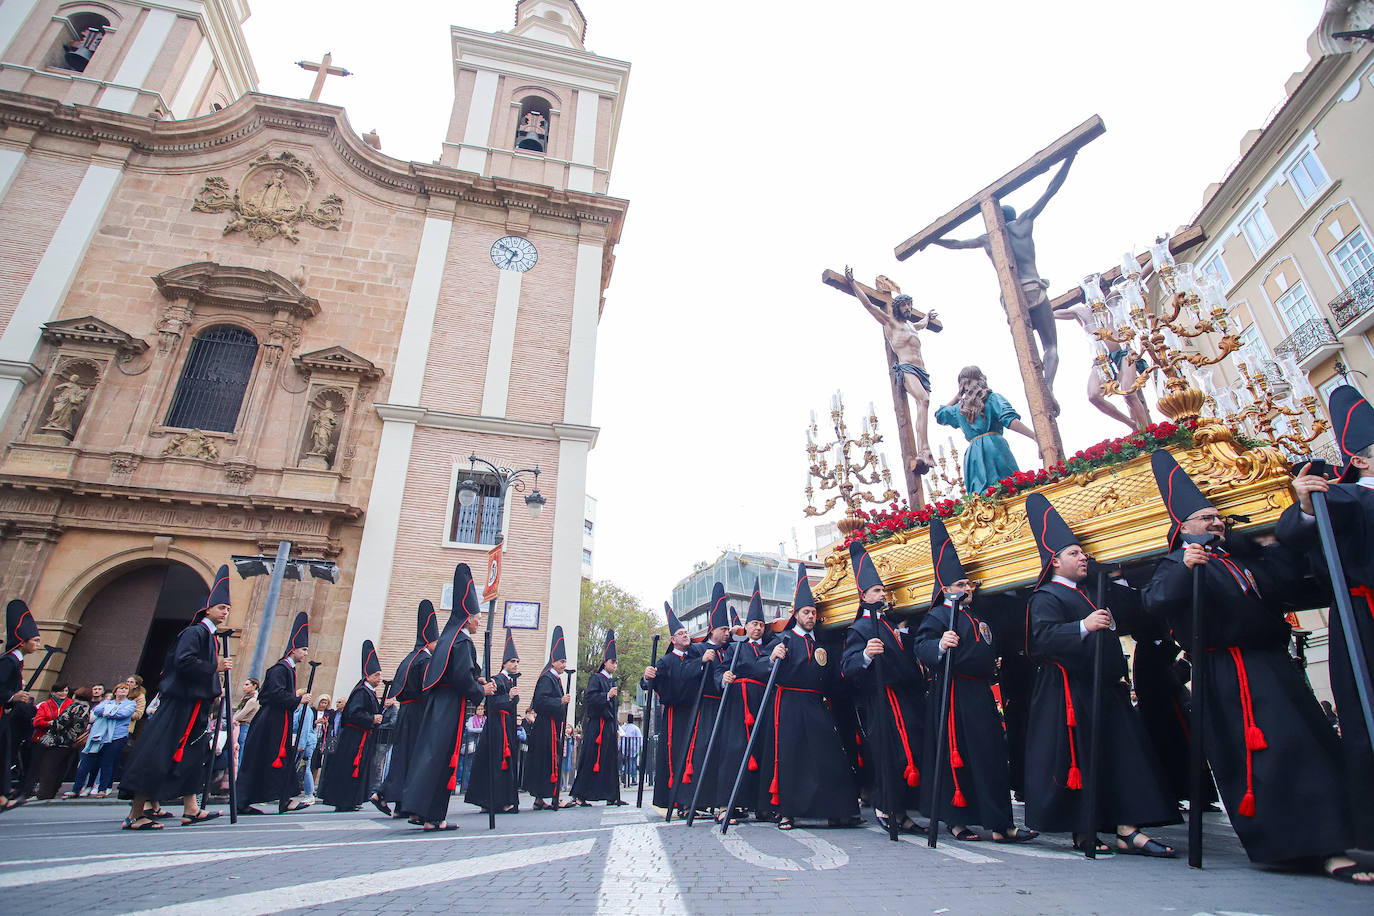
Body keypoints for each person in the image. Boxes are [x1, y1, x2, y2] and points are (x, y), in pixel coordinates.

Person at [1138, 450, 1370, 883]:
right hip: (1228, 675)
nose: (1216, 522)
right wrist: (1185, 567)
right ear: (1183, 527)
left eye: (1217, 515)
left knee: (1310, 746)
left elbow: (1288, 578)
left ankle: (1333, 839)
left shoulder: (1241, 556)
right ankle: (1304, 847)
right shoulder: (1174, 564)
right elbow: (1155, 603)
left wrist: (1292, 520)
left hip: (1270, 666)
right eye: (1205, 518)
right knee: (1275, 755)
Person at [1022, 493, 1178, 856]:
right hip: (1069, 693)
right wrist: (1082, 626)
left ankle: (1128, 828)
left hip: (1106, 689)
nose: (1083, 557)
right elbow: (1040, 640)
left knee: (1121, 757)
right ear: (1055, 561)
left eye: (1083, 552)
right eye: (1074, 553)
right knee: (1079, 758)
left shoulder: (1092, 592)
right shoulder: (1045, 597)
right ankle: (1083, 828)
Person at [1277, 384, 1374, 858]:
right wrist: (1304, 502)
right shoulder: (1348, 497)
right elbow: (1294, 531)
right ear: (1362, 460)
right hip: (1364, 616)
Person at [914, 519, 1036, 843]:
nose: (966, 589)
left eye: (968, 584)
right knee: (958, 755)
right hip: (952, 695)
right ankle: (956, 821)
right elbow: (922, 646)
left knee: (992, 755)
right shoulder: (938, 616)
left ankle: (1001, 824)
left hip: (980, 693)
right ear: (945, 589)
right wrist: (940, 645)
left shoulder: (977, 617)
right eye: (959, 585)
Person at [928, 153, 1076, 400]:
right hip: (1032, 288)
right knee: (1050, 346)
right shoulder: (1024, 223)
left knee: (1026, 351)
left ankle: (1037, 385)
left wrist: (933, 239)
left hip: (1010, 299)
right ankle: (1047, 386)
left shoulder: (988, 238)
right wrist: (1070, 158)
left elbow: (956, 244)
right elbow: (1050, 190)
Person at [118, 565, 233, 830]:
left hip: (196, 706)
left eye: (227, 609)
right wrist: (214, 667)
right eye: (221, 608)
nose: (225, 612)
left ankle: (191, 808)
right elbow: (183, 662)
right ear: (207, 609)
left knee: (192, 756)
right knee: (158, 755)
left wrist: (215, 687)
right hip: (179, 705)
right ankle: (136, 812)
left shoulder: (211, 637)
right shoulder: (194, 633)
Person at [759, 565, 861, 830]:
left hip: (816, 703)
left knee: (827, 755)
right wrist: (772, 659)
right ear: (796, 614)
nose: (811, 616)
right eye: (806, 612)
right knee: (791, 756)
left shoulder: (822, 642)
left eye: (814, 612)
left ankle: (838, 810)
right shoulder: (784, 639)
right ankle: (787, 812)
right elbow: (761, 666)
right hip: (790, 704)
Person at [841, 541, 926, 835]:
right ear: (863, 596)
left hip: (902, 699)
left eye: (883, 590)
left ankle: (902, 812)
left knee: (908, 753)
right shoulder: (860, 629)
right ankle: (885, 807)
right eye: (876, 591)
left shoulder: (889, 623)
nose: (882, 594)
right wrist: (866, 654)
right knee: (887, 755)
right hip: (880, 701)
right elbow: (848, 666)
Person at [401, 564, 494, 830]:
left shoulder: (447, 638)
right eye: (477, 617)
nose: (479, 621)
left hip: (437, 705)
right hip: (450, 706)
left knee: (430, 756)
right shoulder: (463, 641)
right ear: (468, 619)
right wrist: (481, 691)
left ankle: (419, 809)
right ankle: (434, 816)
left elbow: (452, 671)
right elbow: (461, 678)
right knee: (441, 759)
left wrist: (473, 680)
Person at [844, 266, 938, 472]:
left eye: (909, 304)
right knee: (924, 400)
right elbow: (869, 305)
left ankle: (924, 449)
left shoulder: (912, 326)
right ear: (897, 307)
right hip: (906, 368)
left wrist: (928, 318)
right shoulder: (891, 322)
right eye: (904, 305)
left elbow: (922, 323)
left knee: (924, 405)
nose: (908, 308)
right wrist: (853, 283)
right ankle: (924, 449)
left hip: (922, 371)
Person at [712, 580, 780, 824]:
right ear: (747, 626)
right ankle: (725, 805)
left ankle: (763, 806)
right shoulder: (735, 648)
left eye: (761, 624)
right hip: (738, 708)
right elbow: (719, 670)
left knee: (764, 752)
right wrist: (724, 677)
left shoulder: (773, 647)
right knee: (734, 752)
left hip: (762, 704)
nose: (758, 628)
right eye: (754, 624)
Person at [235, 612, 313, 815]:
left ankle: (284, 798)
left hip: (279, 720)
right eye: (303, 649)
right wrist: (297, 699)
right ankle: (243, 800)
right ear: (293, 649)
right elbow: (273, 694)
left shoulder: (288, 669)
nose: (305, 654)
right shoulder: (279, 669)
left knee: (281, 759)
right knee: (259, 758)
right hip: (270, 722)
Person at [372, 600, 438, 815]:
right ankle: (383, 793)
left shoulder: (409, 658)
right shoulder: (425, 661)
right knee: (411, 757)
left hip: (406, 712)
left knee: (404, 755)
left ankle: (402, 804)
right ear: (429, 642)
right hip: (418, 711)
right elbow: (427, 689)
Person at [935, 367, 1038, 497]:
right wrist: (1034, 436)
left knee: (981, 497)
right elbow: (1010, 420)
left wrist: (958, 396)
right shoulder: (993, 398)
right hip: (995, 447)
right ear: (981, 379)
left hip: (973, 454)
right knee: (1010, 489)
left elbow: (940, 414)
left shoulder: (958, 409)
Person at [641, 602, 704, 813]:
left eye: (686, 632)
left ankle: (693, 800)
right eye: (681, 633)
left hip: (694, 714)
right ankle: (679, 801)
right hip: (674, 716)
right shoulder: (666, 661)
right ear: (672, 640)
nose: (686, 635)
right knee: (676, 756)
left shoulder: (696, 656)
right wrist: (646, 675)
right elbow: (648, 683)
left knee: (693, 756)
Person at [1052, 300, 1150, 431]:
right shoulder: (1082, 312)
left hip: (1123, 352)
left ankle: (1147, 432)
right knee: (1093, 396)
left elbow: (1128, 285)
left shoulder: (1109, 303)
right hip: (1102, 359)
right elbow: (1052, 313)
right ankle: (1133, 425)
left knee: (1129, 393)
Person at [680, 583, 731, 810]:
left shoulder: (731, 650)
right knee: (703, 750)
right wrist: (702, 662)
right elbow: (685, 672)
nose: (727, 634)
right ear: (713, 631)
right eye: (724, 630)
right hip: (706, 707)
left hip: (727, 707)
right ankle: (698, 801)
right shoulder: (697, 649)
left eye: (728, 630)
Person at [319, 641, 383, 811]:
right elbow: (354, 714)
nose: (379, 678)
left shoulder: (368, 692)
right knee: (349, 768)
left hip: (361, 737)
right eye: (376, 675)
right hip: (354, 738)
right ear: (368, 676)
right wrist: (372, 719)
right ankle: (344, 800)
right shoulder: (362, 692)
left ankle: (352, 799)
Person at [467, 629, 522, 813]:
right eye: (512, 661)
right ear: (504, 663)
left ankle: (500, 799)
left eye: (517, 662)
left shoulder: (511, 681)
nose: (515, 665)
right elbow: (492, 703)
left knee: (503, 763)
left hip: (506, 726)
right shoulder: (497, 679)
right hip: (496, 727)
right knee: (494, 762)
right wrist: (509, 697)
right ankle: (491, 800)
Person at [570, 630, 625, 806]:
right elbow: (589, 700)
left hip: (609, 726)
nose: (615, 665)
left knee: (610, 761)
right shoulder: (596, 678)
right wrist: (606, 696)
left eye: (616, 662)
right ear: (605, 662)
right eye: (612, 662)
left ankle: (611, 795)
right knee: (591, 757)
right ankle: (581, 794)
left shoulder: (612, 681)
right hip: (597, 726)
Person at [1, 599, 42, 813]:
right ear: (22, 641)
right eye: (34, 640)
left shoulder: (15, 662)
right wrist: (12, 696)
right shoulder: (8, 662)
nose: (37, 644)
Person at [524, 626, 571, 810]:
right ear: (553, 662)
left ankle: (540, 798)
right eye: (561, 661)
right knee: (547, 762)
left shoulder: (555, 679)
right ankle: (552, 796)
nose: (564, 665)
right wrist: (560, 701)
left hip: (552, 726)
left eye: (565, 662)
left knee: (546, 762)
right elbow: (540, 702)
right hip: (545, 728)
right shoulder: (546, 679)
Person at [71, 682, 135, 798]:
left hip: (116, 736)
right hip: (98, 736)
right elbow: (97, 711)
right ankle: (76, 789)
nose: (123, 691)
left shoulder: (130, 704)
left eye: (125, 689)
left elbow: (123, 714)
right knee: (86, 763)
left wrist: (107, 712)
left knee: (107, 763)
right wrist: (112, 710)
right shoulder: (106, 702)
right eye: (120, 689)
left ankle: (102, 789)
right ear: (115, 691)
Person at [20, 683, 70, 800]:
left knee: (54, 767)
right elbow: (37, 722)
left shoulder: (71, 705)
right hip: (43, 738)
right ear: (53, 693)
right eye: (60, 691)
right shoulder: (45, 705)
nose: (63, 693)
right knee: (35, 766)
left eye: (65, 691)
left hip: (62, 740)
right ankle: (27, 791)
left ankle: (48, 792)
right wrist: (50, 723)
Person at [310, 694, 332, 786]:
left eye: (325, 703)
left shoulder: (329, 714)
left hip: (321, 739)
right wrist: (315, 722)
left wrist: (326, 724)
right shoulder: (313, 711)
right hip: (312, 737)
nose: (323, 705)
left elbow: (331, 727)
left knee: (317, 762)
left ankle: (314, 782)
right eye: (322, 702)